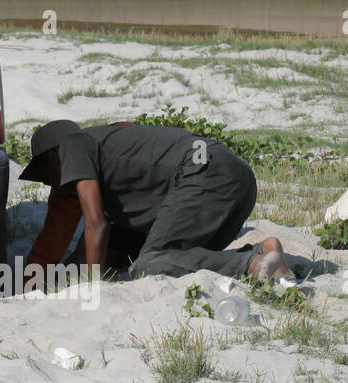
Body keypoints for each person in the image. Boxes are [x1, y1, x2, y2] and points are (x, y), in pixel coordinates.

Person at [18, 119, 295, 285]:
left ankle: (253, 264)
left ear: (53, 157)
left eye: (45, 175)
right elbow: (71, 246)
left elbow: (96, 224)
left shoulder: (73, 145)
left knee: (148, 264)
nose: (50, 185)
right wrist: (37, 285)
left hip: (206, 174)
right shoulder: (110, 146)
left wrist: (92, 290)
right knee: (157, 256)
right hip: (234, 178)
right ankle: (264, 251)